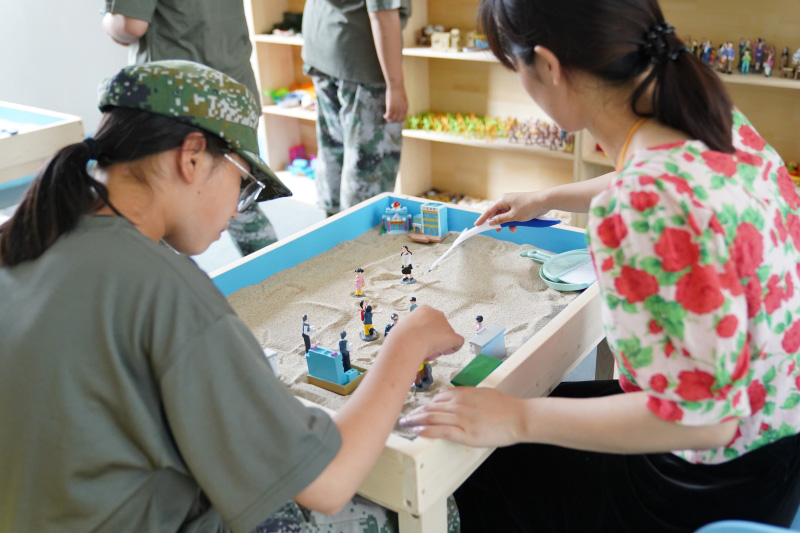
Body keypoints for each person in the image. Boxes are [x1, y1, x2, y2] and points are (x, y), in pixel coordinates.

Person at [0, 60, 464, 533]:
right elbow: (328, 482)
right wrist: (406, 343)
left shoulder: (27, 235)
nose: (239, 208)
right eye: (244, 183)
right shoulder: (166, 291)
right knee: (431, 507)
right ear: (192, 157)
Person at [399, 0, 800, 530]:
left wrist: (518, 419)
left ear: (547, 65)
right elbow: (656, 177)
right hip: (778, 428)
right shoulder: (717, 119)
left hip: (710, 477)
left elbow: (706, 422)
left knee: (479, 464)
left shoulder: (635, 207)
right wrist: (548, 197)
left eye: (515, 68)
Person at [101, 0, 280, 256]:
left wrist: (108, 20)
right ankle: (274, 266)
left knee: (162, 207)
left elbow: (131, 25)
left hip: (175, 100)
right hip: (234, 92)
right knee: (237, 196)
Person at [301, 0, 409, 216]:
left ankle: (333, 227)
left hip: (322, 41)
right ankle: (358, 230)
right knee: (368, 167)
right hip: (361, 57)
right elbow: (382, 12)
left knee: (333, 148)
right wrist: (395, 85)